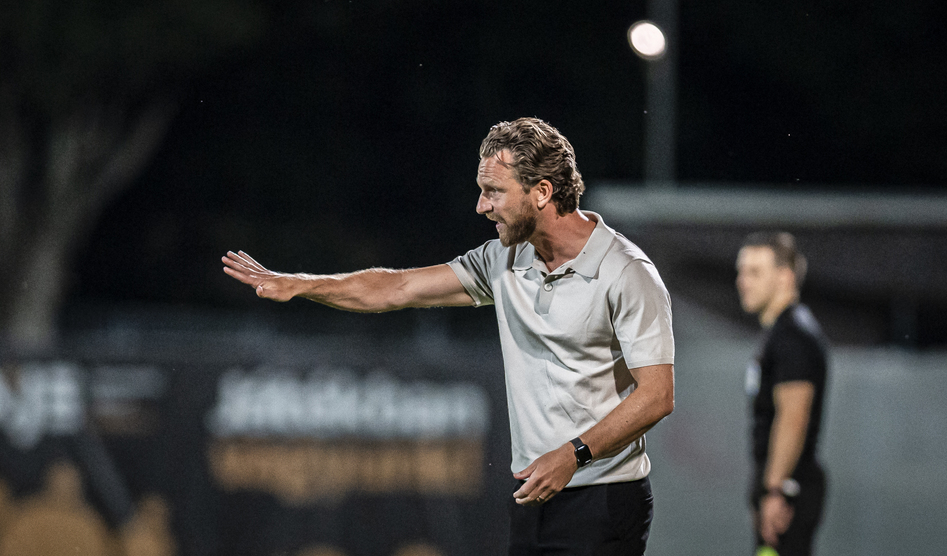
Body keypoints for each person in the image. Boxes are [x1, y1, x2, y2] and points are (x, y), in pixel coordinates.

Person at [222, 117, 675, 555]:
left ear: (541, 192)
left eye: (494, 191)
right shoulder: (504, 258)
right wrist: (302, 284)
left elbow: (657, 395)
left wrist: (574, 455)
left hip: (604, 498)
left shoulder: (625, 271)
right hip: (533, 494)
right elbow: (397, 287)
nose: (481, 206)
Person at [735, 232, 828, 556]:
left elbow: (794, 416)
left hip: (789, 490)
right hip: (782, 486)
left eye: (754, 272)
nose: (743, 281)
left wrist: (776, 490)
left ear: (785, 277)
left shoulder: (793, 336)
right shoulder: (780, 333)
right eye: (741, 271)